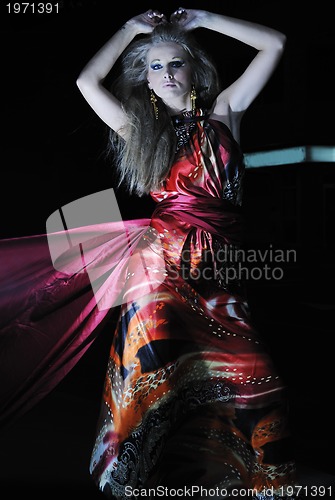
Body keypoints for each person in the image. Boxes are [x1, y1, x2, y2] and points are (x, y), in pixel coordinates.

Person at [0, 6, 300, 500]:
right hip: (158, 267)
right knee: (153, 375)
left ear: (194, 69)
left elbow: (276, 44)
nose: (166, 73)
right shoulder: (141, 131)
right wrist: (129, 30)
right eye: (155, 66)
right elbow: (87, 81)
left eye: (175, 62)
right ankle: (135, 483)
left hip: (219, 274)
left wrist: (202, 19)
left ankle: (251, 482)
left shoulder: (225, 112)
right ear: (145, 76)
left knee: (251, 378)